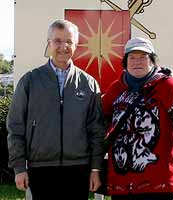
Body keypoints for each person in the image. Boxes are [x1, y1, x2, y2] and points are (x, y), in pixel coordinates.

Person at [7, 19, 105, 200]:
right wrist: (19, 168)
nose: (63, 46)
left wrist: (95, 168)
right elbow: (15, 126)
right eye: (58, 41)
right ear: (49, 43)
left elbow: (97, 130)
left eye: (69, 41)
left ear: (76, 45)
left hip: (78, 169)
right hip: (41, 169)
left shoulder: (89, 84)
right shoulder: (30, 81)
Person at [102, 37, 173, 200]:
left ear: (152, 61)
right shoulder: (116, 89)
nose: (136, 62)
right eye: (132, 57)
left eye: (142, 57)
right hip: (122, 184)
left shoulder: (168, 86)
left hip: (161, 183)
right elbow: (98, 120)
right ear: (125, 62)